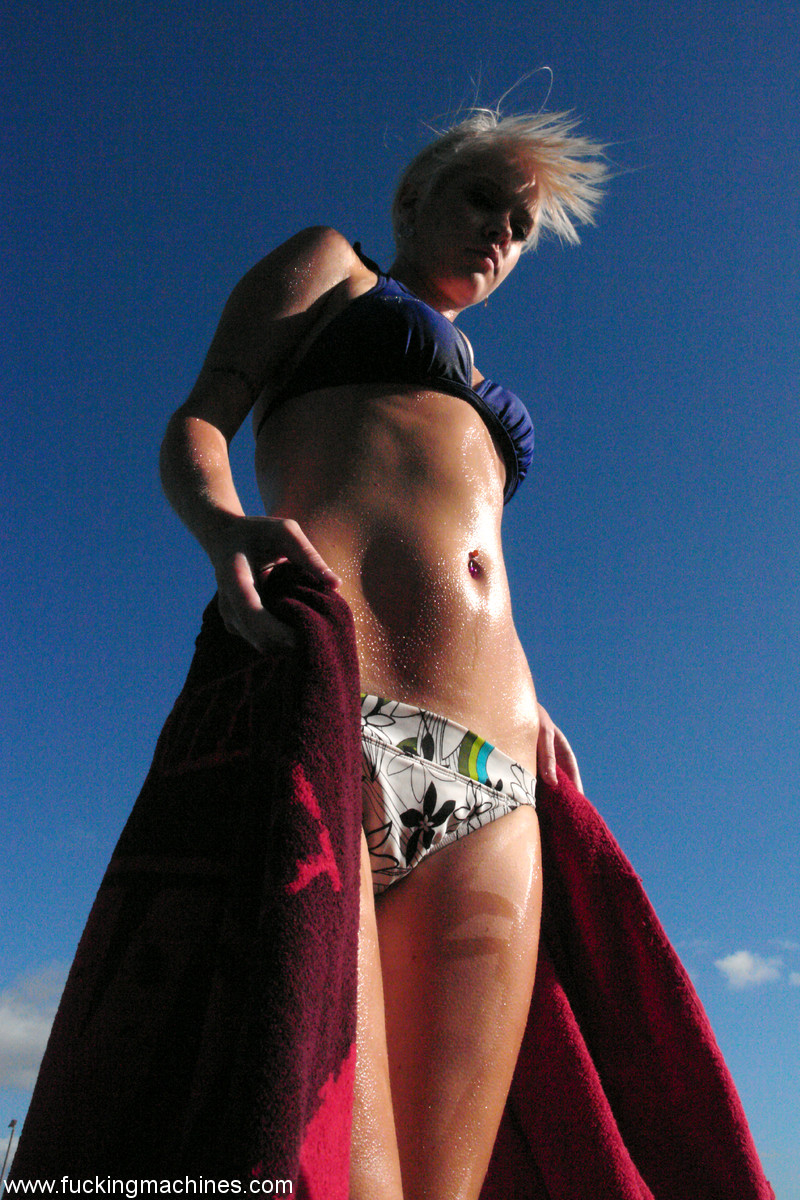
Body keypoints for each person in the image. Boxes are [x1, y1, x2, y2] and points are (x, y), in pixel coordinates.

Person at [158, 107, 606, 1200]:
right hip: (338, 705)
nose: (500, 232)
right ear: (411, 200)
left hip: (491, 765)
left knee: (444, 1185)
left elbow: (470, 550)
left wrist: (534, 701)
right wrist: (222, 527)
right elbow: (202, 418)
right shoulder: (335, 270)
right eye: (482, 200)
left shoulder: (477, 375)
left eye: (520, 225)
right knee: (319, 1162)